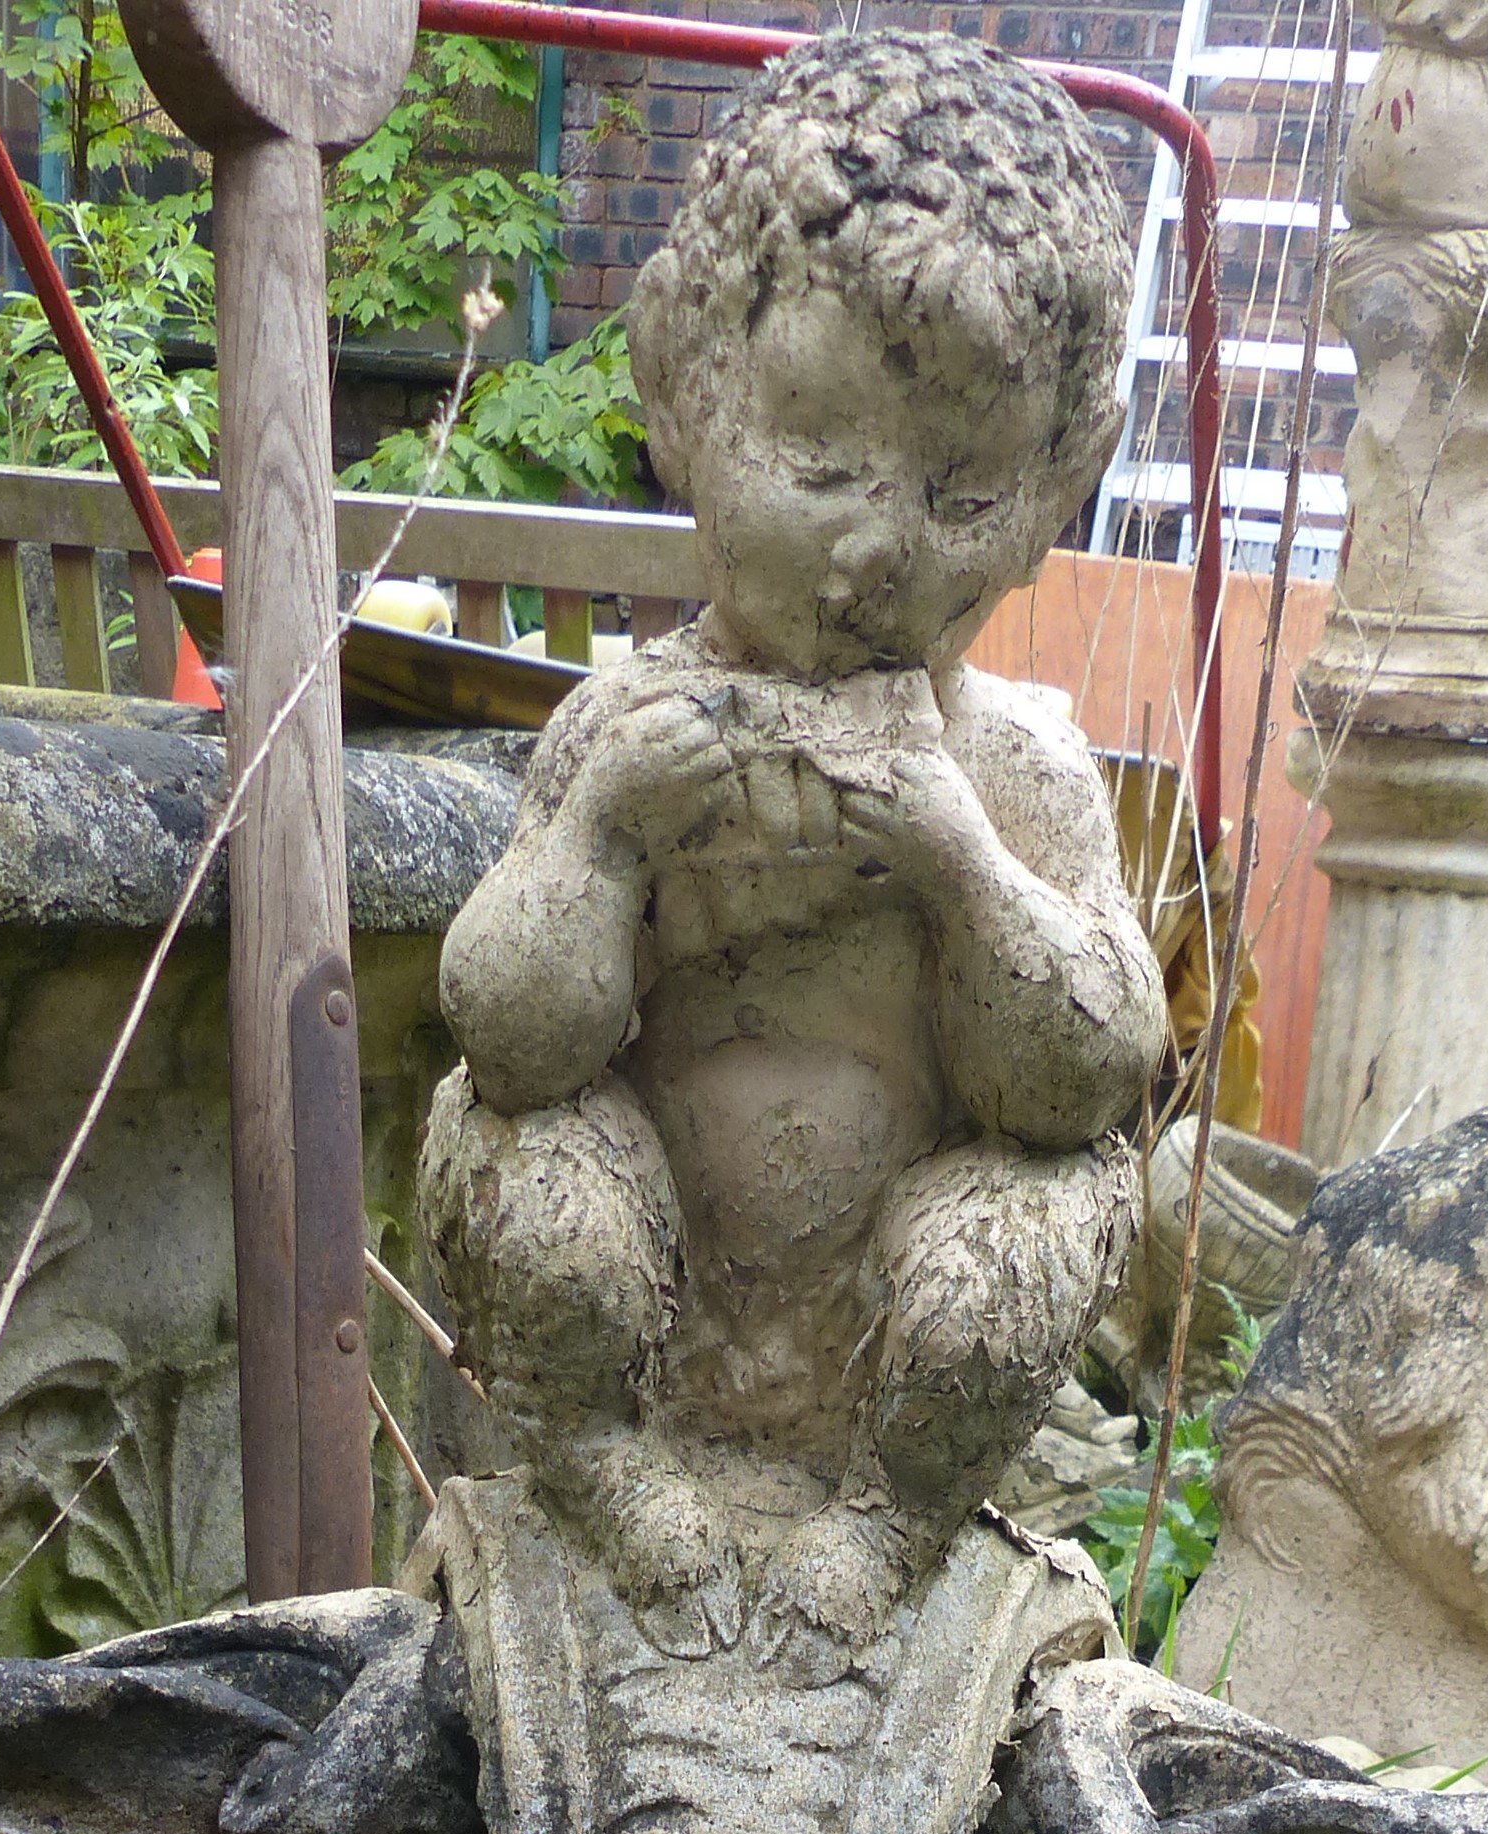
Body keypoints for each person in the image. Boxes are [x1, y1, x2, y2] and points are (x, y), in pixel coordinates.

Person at [421, 31, 1166, 1670]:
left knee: (1042, 1210)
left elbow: (1087, 1077)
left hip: (880, 1339)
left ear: (1059, 488)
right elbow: (511, 1028)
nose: (878, 543)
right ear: (684, 395)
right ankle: (608, 1476)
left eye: (964, 492)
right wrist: (605, 845)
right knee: (512, 1150)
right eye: (818, 463)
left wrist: (968, 876)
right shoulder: (627, 737)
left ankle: (892, 1525)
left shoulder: (1010, 763)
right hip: (658, 1306)